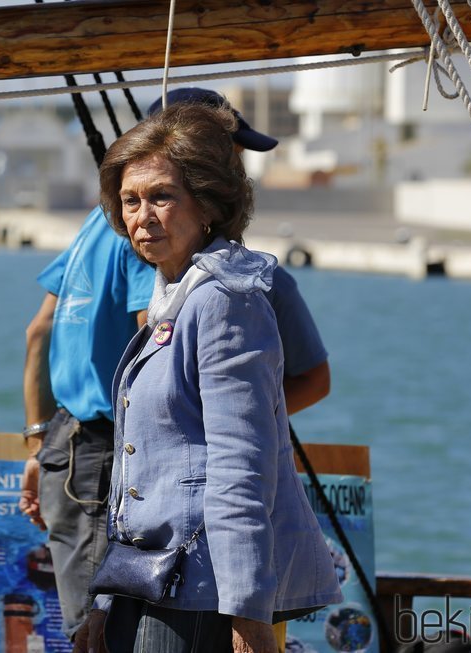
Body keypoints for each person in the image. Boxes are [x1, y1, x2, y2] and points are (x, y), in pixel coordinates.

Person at [75, 103, 342, 653]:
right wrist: (105, 602)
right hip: (145, 578)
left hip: (198, 591)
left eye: (162, 196)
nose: (142, 216)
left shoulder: (225, 300)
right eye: (130, 200)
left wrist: (247, 614)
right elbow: (143, 471)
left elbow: (241, 463)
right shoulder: (172, 294)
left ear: (209, 206)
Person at [147, 87, 331, 415]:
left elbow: (315, 381)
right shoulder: (260, 281)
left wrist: (238, 417)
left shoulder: (268, 281)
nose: (239, 172)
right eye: (232, 156)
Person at [18, 204, 155, 639]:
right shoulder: (145, 234)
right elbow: (149, 328)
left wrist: (38, 443)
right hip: (108, 449)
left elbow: (38, 331)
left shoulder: (97, 221)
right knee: (103, 632)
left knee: (83, 625)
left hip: (64, 440)